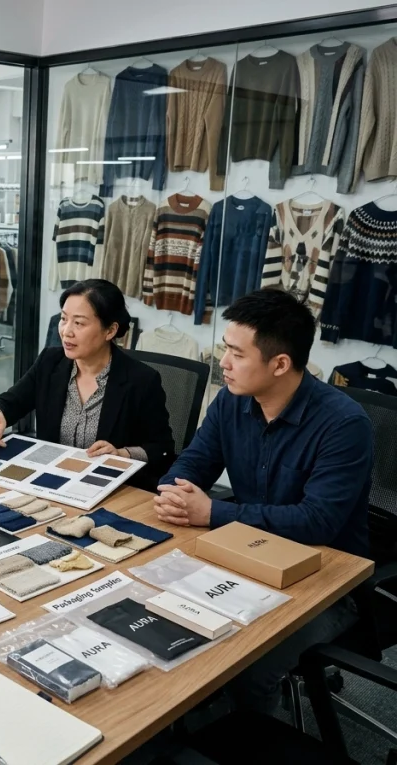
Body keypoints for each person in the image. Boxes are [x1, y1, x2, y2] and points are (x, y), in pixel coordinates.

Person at [156, 288, 372, 713]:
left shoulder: (344, 424)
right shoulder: (230, 402)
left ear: (280, 364)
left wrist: (213, 512)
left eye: (236, 354)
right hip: (242, 553)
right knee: (156, 617)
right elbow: (191, 465)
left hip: (325, 578)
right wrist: (174, 491)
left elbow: (317, 523)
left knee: (246, 665)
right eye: (225, 350)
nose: (224, 363)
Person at [0, 279, 174, 489]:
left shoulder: (142, 380)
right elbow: (12, 401)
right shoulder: (50, 362)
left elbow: (162, 449)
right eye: (64, 319)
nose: (66, 331)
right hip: (50, 482)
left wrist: (122, 454)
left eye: (79, 323)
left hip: (107, 489)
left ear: (110, 331)